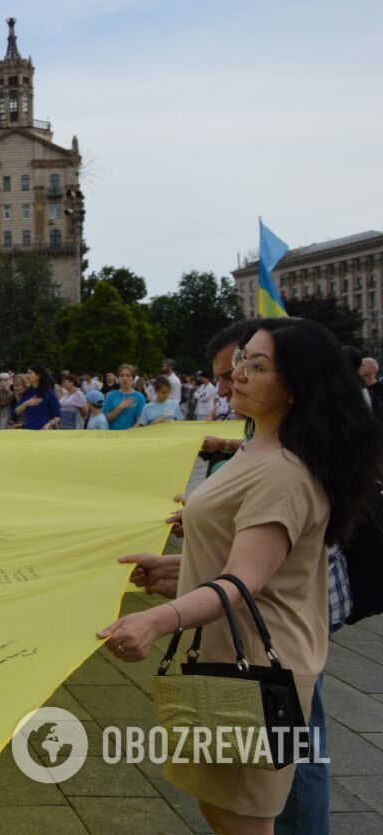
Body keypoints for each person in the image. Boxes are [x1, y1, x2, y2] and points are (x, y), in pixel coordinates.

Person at [99, 318, 382, 833]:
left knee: (242, 818)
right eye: (241, 359)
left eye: (257, 364)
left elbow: (243, 582)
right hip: (227, 658)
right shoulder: (258, 449)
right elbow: (264, 564)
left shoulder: (284, 471)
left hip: (252, 670)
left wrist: (155, 621)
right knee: (223, 810)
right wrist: (180, 568)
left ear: (297, 385)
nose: (238, 373)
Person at [12, 364, 62, 430]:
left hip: (44, 433)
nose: (27, 376)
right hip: (29, 432)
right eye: (27, 373)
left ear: (38, 376)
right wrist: (26, 403)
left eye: (30, 373)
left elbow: (58, 416)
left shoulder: (49, 394)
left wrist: (49, 424)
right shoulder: (27, 393)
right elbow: (14, 413)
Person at [101, 364, 146, 430]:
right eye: (122, 375)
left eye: (128, 375)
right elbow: (106, 419)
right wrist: (120, 408)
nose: (125, 378)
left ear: (133, 379)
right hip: (113, 436)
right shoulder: (111, 395)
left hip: (131, 436)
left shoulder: (140, 397)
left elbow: (141, 420)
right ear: (118, 378)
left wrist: (130, 431)